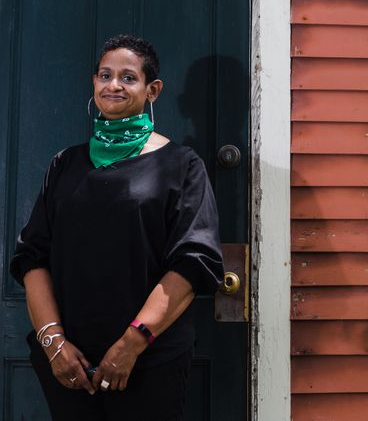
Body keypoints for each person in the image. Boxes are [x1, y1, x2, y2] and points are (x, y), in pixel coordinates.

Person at [10, 35, 224, 421]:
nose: (113, 85)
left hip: (150, 360)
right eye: (105, 75)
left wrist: (131, 344)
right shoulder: (65, 164)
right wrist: (54, 345)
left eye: (128, 78)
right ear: (93, 83)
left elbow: (194, 263)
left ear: (152, 90)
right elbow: (32, 257)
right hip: (68, 363)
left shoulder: (181, 165)